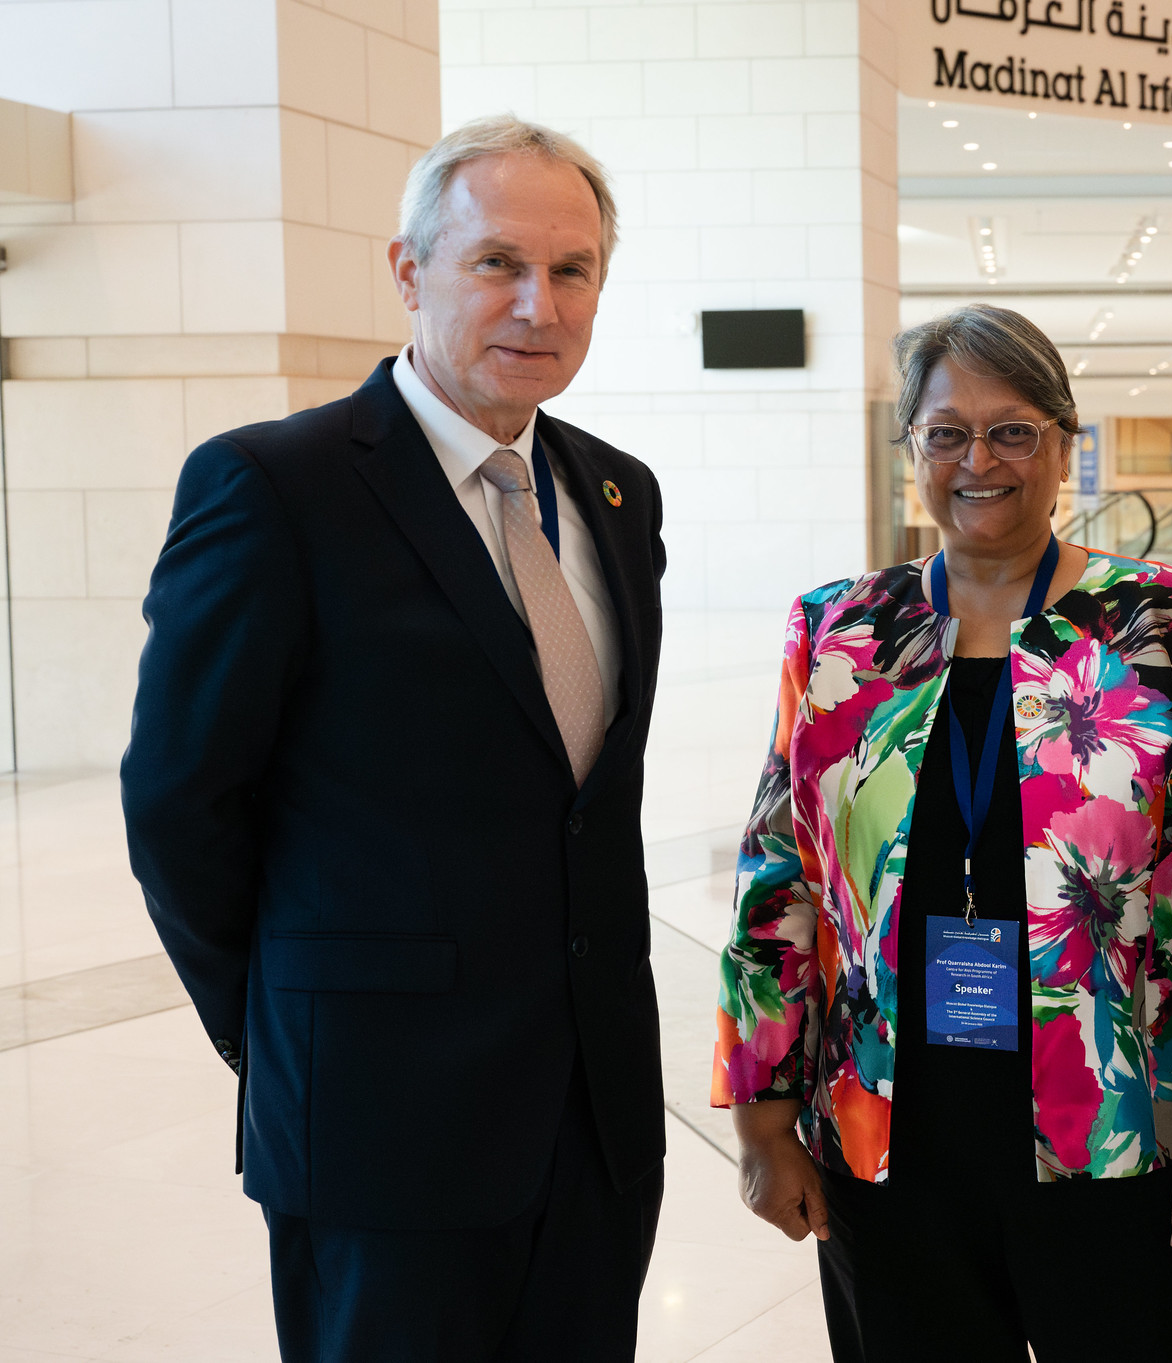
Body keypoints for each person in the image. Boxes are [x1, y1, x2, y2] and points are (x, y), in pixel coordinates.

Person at [121, 116, 667, 1362]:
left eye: (572, 269)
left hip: (593, 1115)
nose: (538, 302)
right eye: (496, 263)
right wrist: (275, 1025)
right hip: (378, 1120)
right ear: (408, 270)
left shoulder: (618, 494)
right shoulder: (276, 486)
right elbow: (180, 803)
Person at [713, 304, 1172, 1362]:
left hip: (1121, 1136)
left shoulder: (1169, 623)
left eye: (1013, 429)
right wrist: (760, 1115)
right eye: (945, 432)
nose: (978, 460)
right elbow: (777, 873)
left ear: (1066, 442)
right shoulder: (840, 633)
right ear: (910, 451)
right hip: (886, 1135)